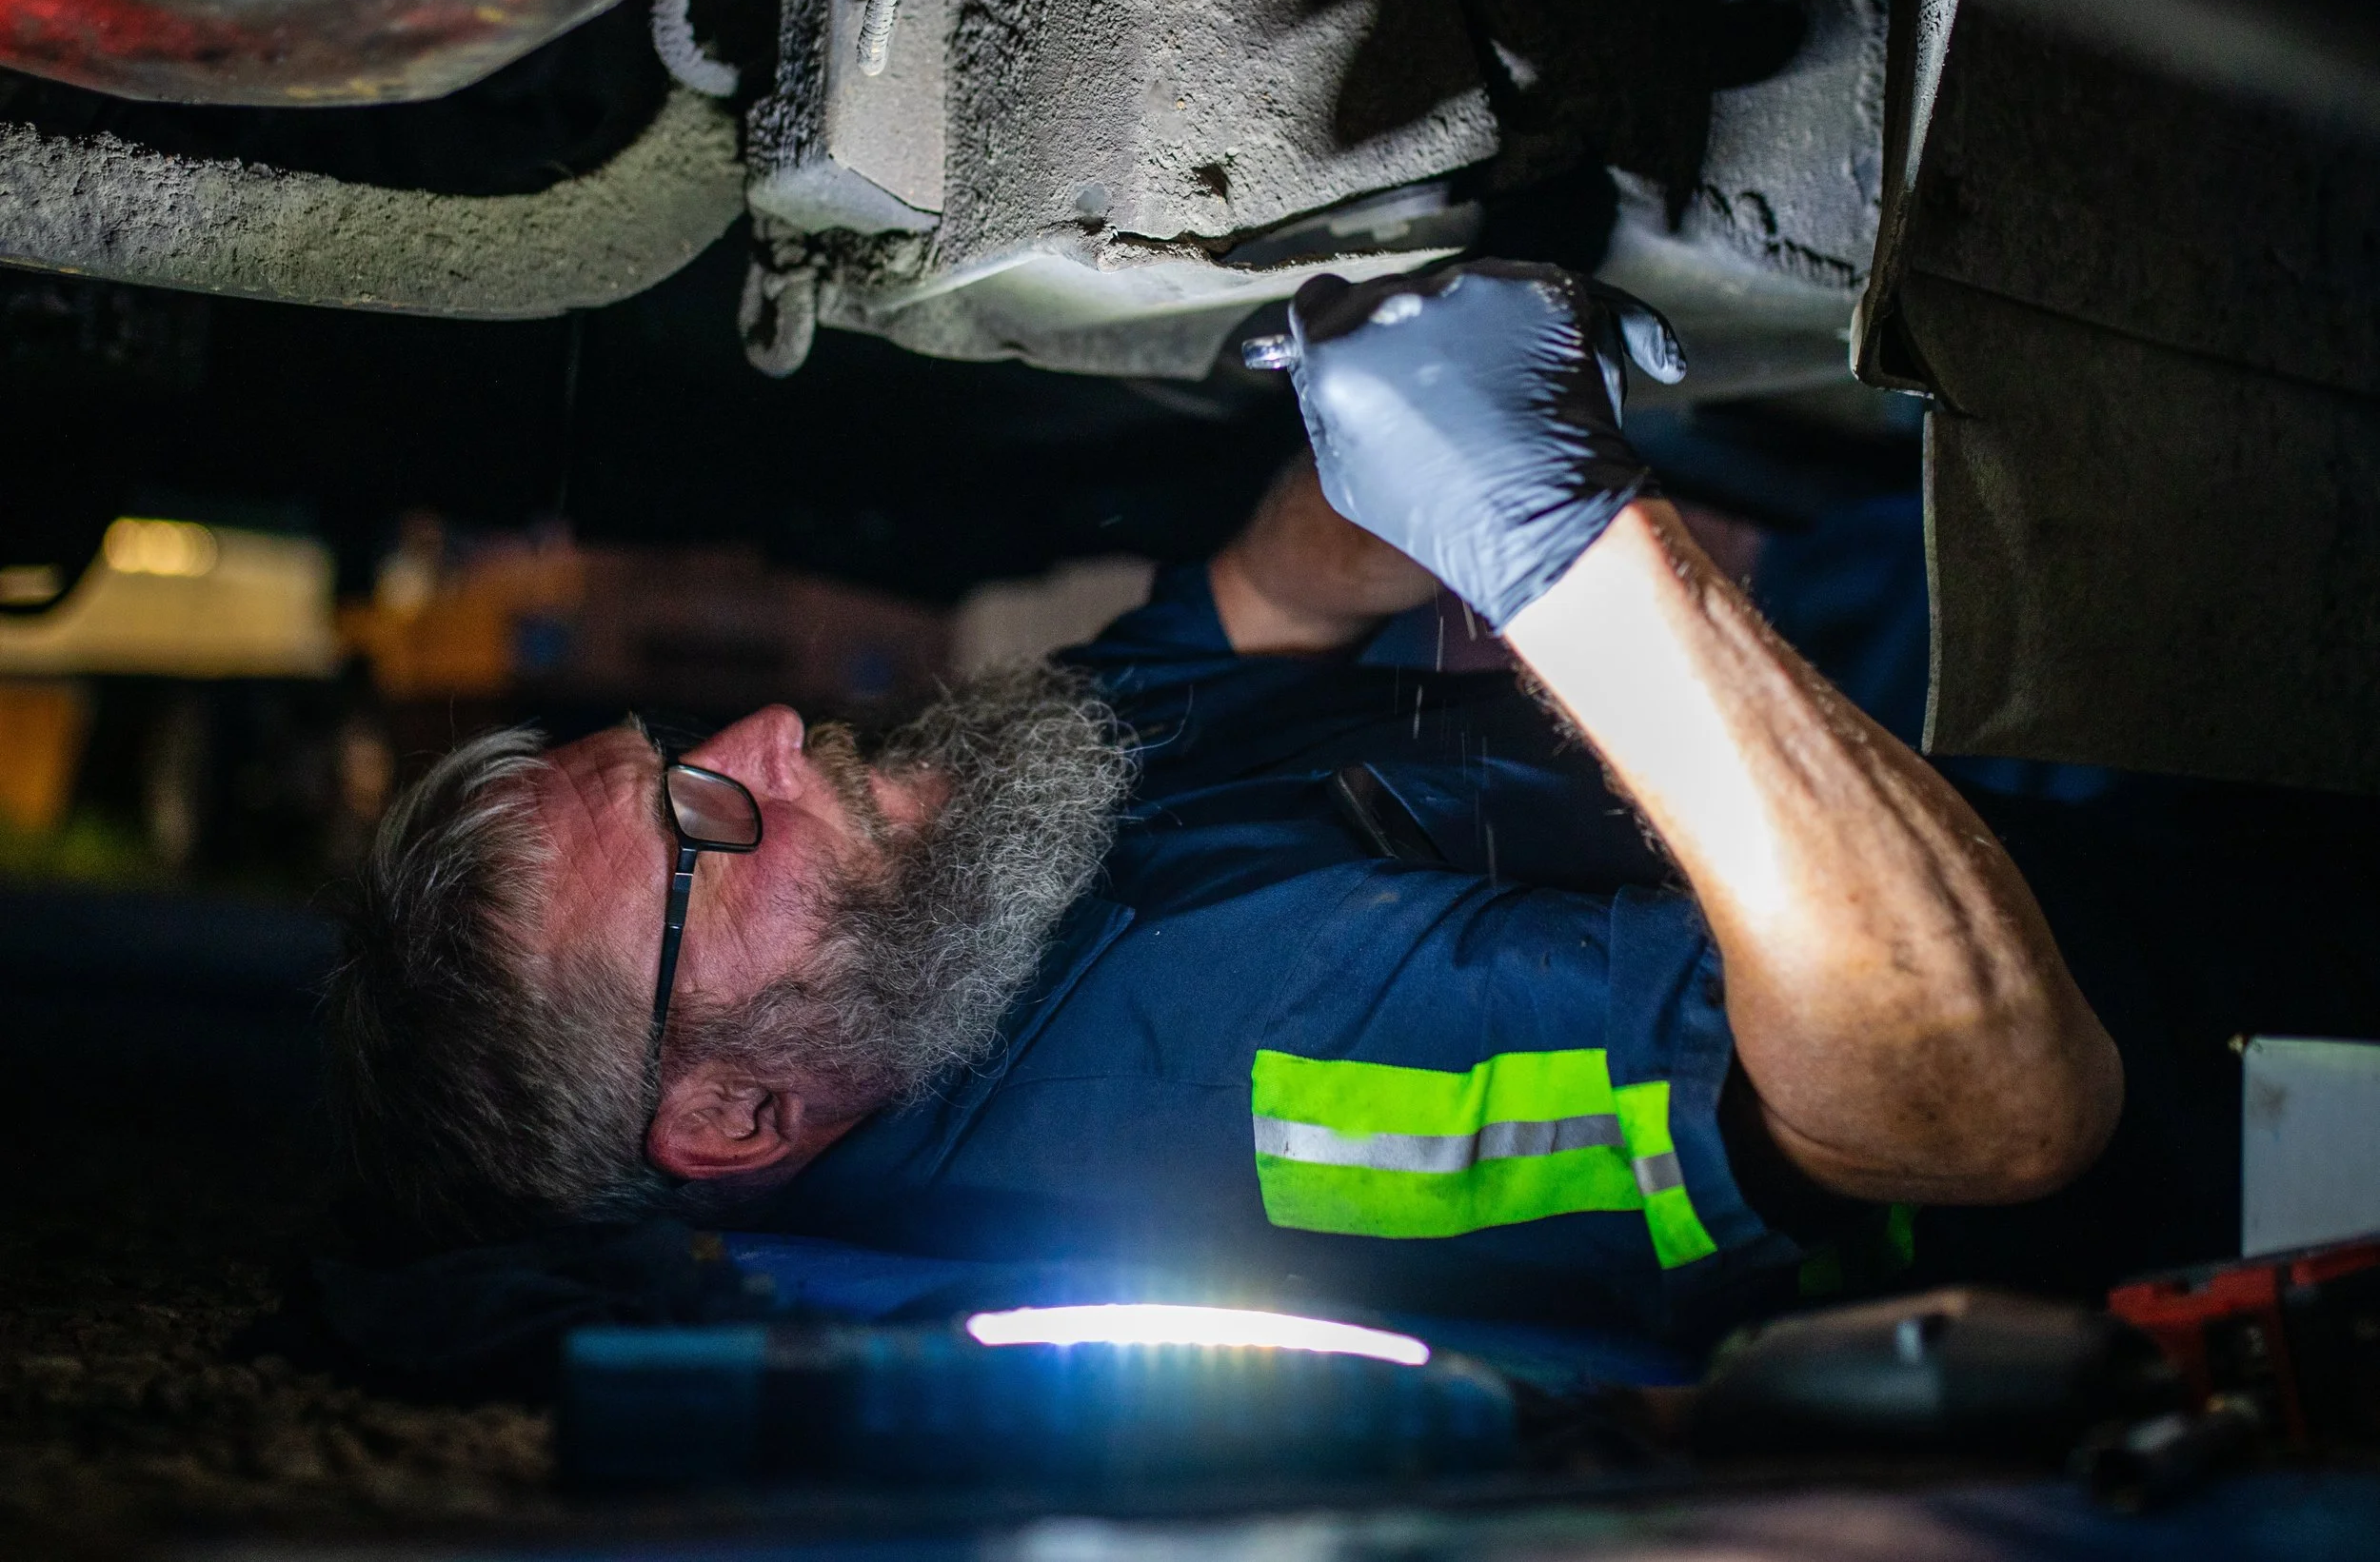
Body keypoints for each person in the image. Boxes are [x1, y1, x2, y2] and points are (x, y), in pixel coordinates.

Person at [328, 262, 2123, 1340]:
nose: (776, 727)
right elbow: (1978, 1106)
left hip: (2059, 830)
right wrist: (1555, 534)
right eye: (706, 826)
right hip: (2233, 1064)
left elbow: (1262, 602)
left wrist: (1387, 407)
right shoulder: (1237, 1089)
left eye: (681, 745)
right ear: (730, 1115)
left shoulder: (960, 898)